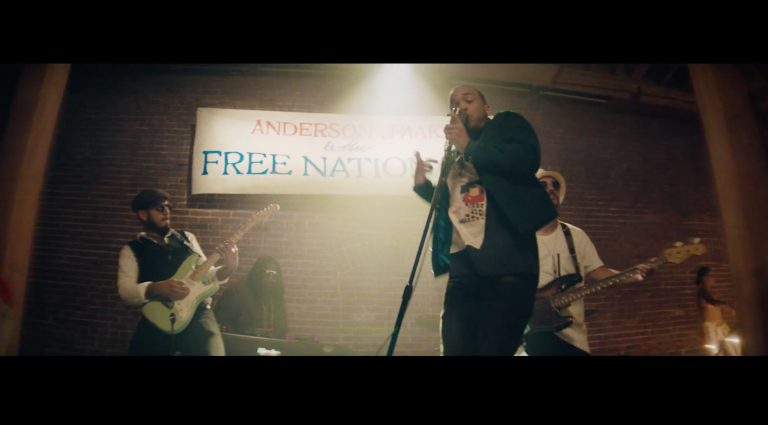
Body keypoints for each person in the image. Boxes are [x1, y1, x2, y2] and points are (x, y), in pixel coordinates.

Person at [412, 85, 557, 355]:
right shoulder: (453, 156)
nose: (461, 107)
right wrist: (422, 185)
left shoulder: (506, 124)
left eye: (468, 100)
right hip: (464, 266)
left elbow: (527, 159)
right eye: (454, 104)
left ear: (487, 108)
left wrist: (469, 146)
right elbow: (455, 205)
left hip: (506, 264)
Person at [521, 169, 653, 356]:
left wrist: (633, 275)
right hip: (533, 337)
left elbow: (600, 272)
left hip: (574, 339)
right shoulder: (520, 239)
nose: (551, 189)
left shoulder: (576, 236)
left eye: (555, 185)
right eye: (543, 185)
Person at [117, 189, 239, 355]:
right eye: (160, 208)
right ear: (143, 214)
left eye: (169, 207)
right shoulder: (131, 250)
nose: (166, 211)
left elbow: (205, 274)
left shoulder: (187, 238)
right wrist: (156, 288)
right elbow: (126, 293)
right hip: (159, 318)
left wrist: (228, 268)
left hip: (198, 316)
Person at [216, 256, 287, 339]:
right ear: (258, 273)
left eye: (275, 276)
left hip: (270, 345)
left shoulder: (276, 298)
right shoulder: (237, 292)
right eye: (269, 274)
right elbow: (223, 323)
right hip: (240, 343)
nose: (272, 279)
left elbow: (282, 327)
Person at [695, 266, 740, 356]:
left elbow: (715, 305)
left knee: (733, 347)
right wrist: (728, 305)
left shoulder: (709, 292)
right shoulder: (702, 291)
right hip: (711, 328)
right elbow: (712, 302)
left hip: (720, 325)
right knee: (715, 351)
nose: (713, 278)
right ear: (704, 278)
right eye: (711, 276)